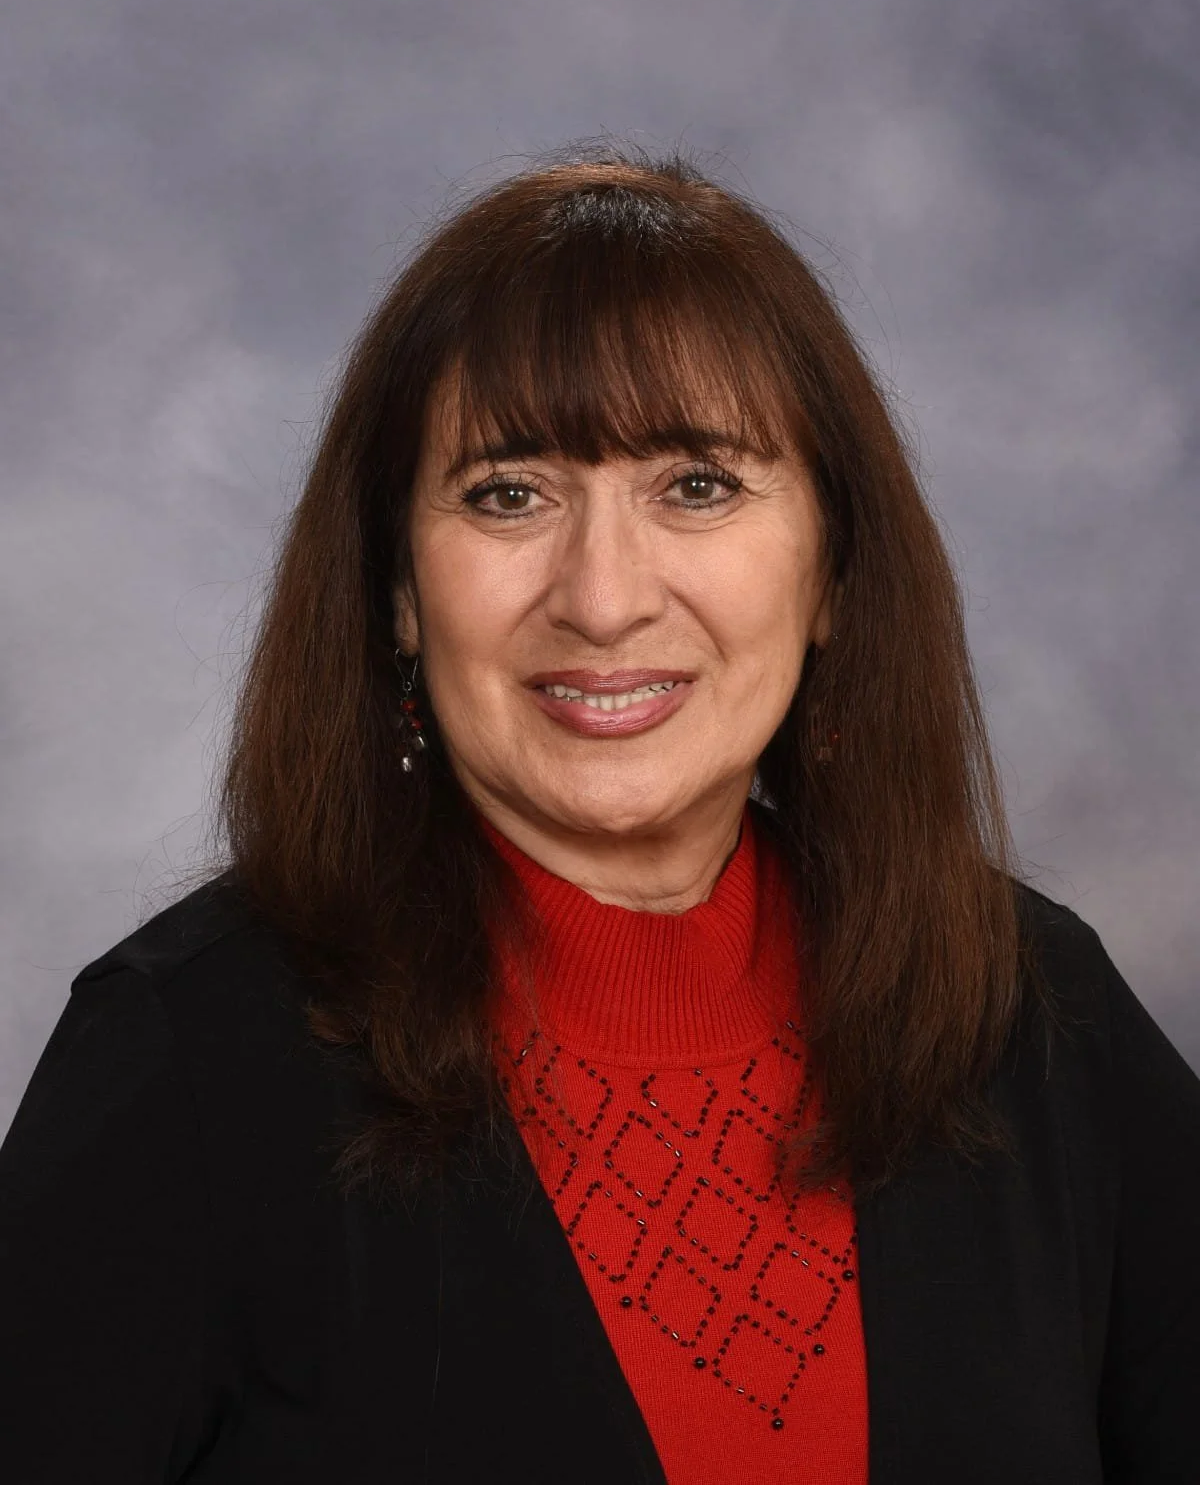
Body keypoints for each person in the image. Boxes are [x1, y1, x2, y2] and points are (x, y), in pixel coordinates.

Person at [2, 141, 1197, 1485]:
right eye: (509, 495)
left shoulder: (1029, 1012)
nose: (605, 598)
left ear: (832, 575)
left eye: (698, 485)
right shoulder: (186, 1062)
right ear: (399, 592)